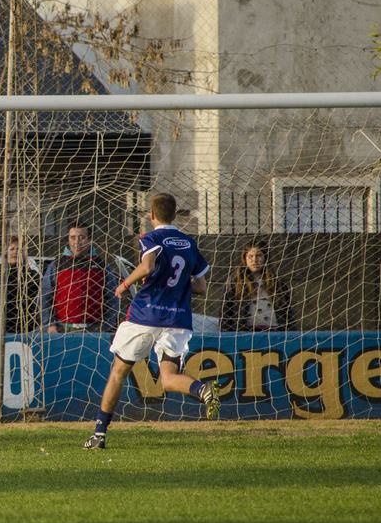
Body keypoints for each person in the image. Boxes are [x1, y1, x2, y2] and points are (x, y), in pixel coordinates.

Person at [84, 193, 221, 450]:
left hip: (146, 316)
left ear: (152, 215)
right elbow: (201, 286)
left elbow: (147, 267)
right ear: (175, 213)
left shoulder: (152, 237)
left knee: (118, 372)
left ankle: (99, 434)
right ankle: (202, 390)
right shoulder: (188, 243)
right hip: (178, 319)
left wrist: (124, 284)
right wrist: (179, 284)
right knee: (168, 378)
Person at [40, 222, 119, 333]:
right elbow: (45, 296)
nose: (77, 242)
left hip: (94, 328)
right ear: (68, 239)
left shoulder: (102, 266)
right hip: (62, 328)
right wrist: (49, 324)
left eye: (82, 237)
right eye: (73, 237)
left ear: (89, 239)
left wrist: (107, 325)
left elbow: (112, 298)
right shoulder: (57, 265)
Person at [220, 241, 294, 332]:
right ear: (245, 259)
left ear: (265, 258)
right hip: (246, 332)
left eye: (259, 255)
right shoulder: (235, 281)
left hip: (274, 331)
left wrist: (290, 331)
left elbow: (287, 311)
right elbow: (226, 310)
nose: (254, 260)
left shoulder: (276, 281)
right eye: (250, 256)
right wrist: (226, 333)